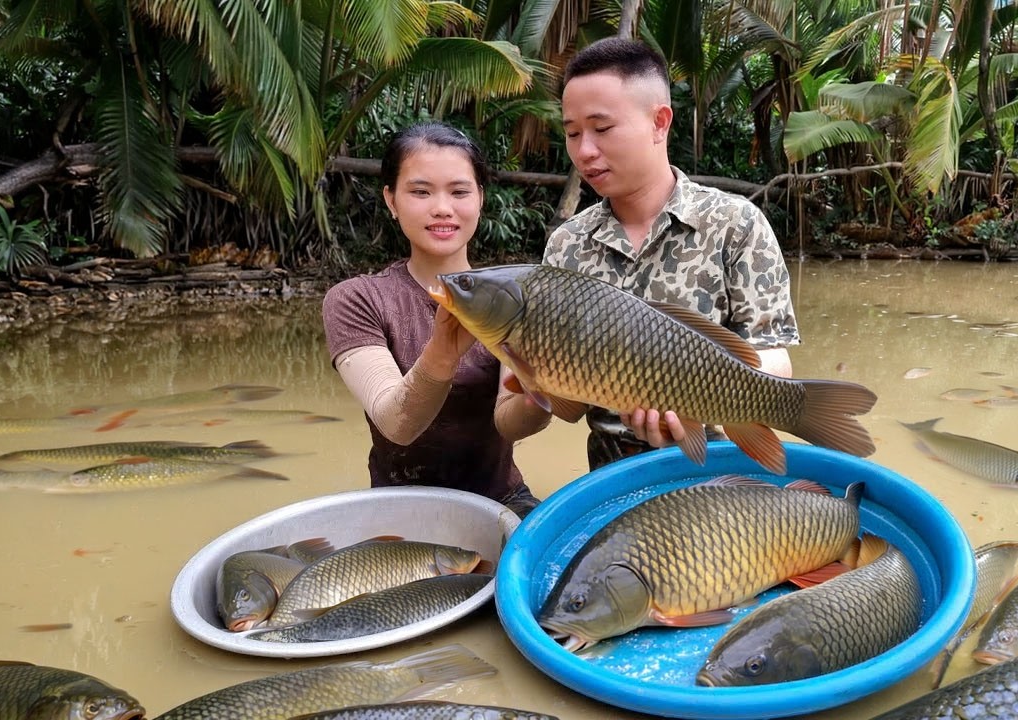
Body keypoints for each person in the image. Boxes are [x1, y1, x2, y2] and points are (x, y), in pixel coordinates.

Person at [542, 38, 801, 471]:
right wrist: (531, 373)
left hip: (720, 469)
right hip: (610, 475)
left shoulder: (735, 223)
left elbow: (774, 356)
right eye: (572, 133)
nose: (584, 150)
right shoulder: (567, 244)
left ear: (659, 123)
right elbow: (567, 410)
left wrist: (690, 397)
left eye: (602, 129)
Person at [322, 122, 551, 517]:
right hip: (399, 509)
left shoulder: (514, 298)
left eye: (459, 192)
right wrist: (443, 350)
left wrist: (542, 392)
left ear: (480, 198)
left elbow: (511, 423)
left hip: (501, 501)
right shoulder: (357, 299)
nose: (442, 207)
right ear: (391, 200)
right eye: (420, 191)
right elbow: (397, 423)